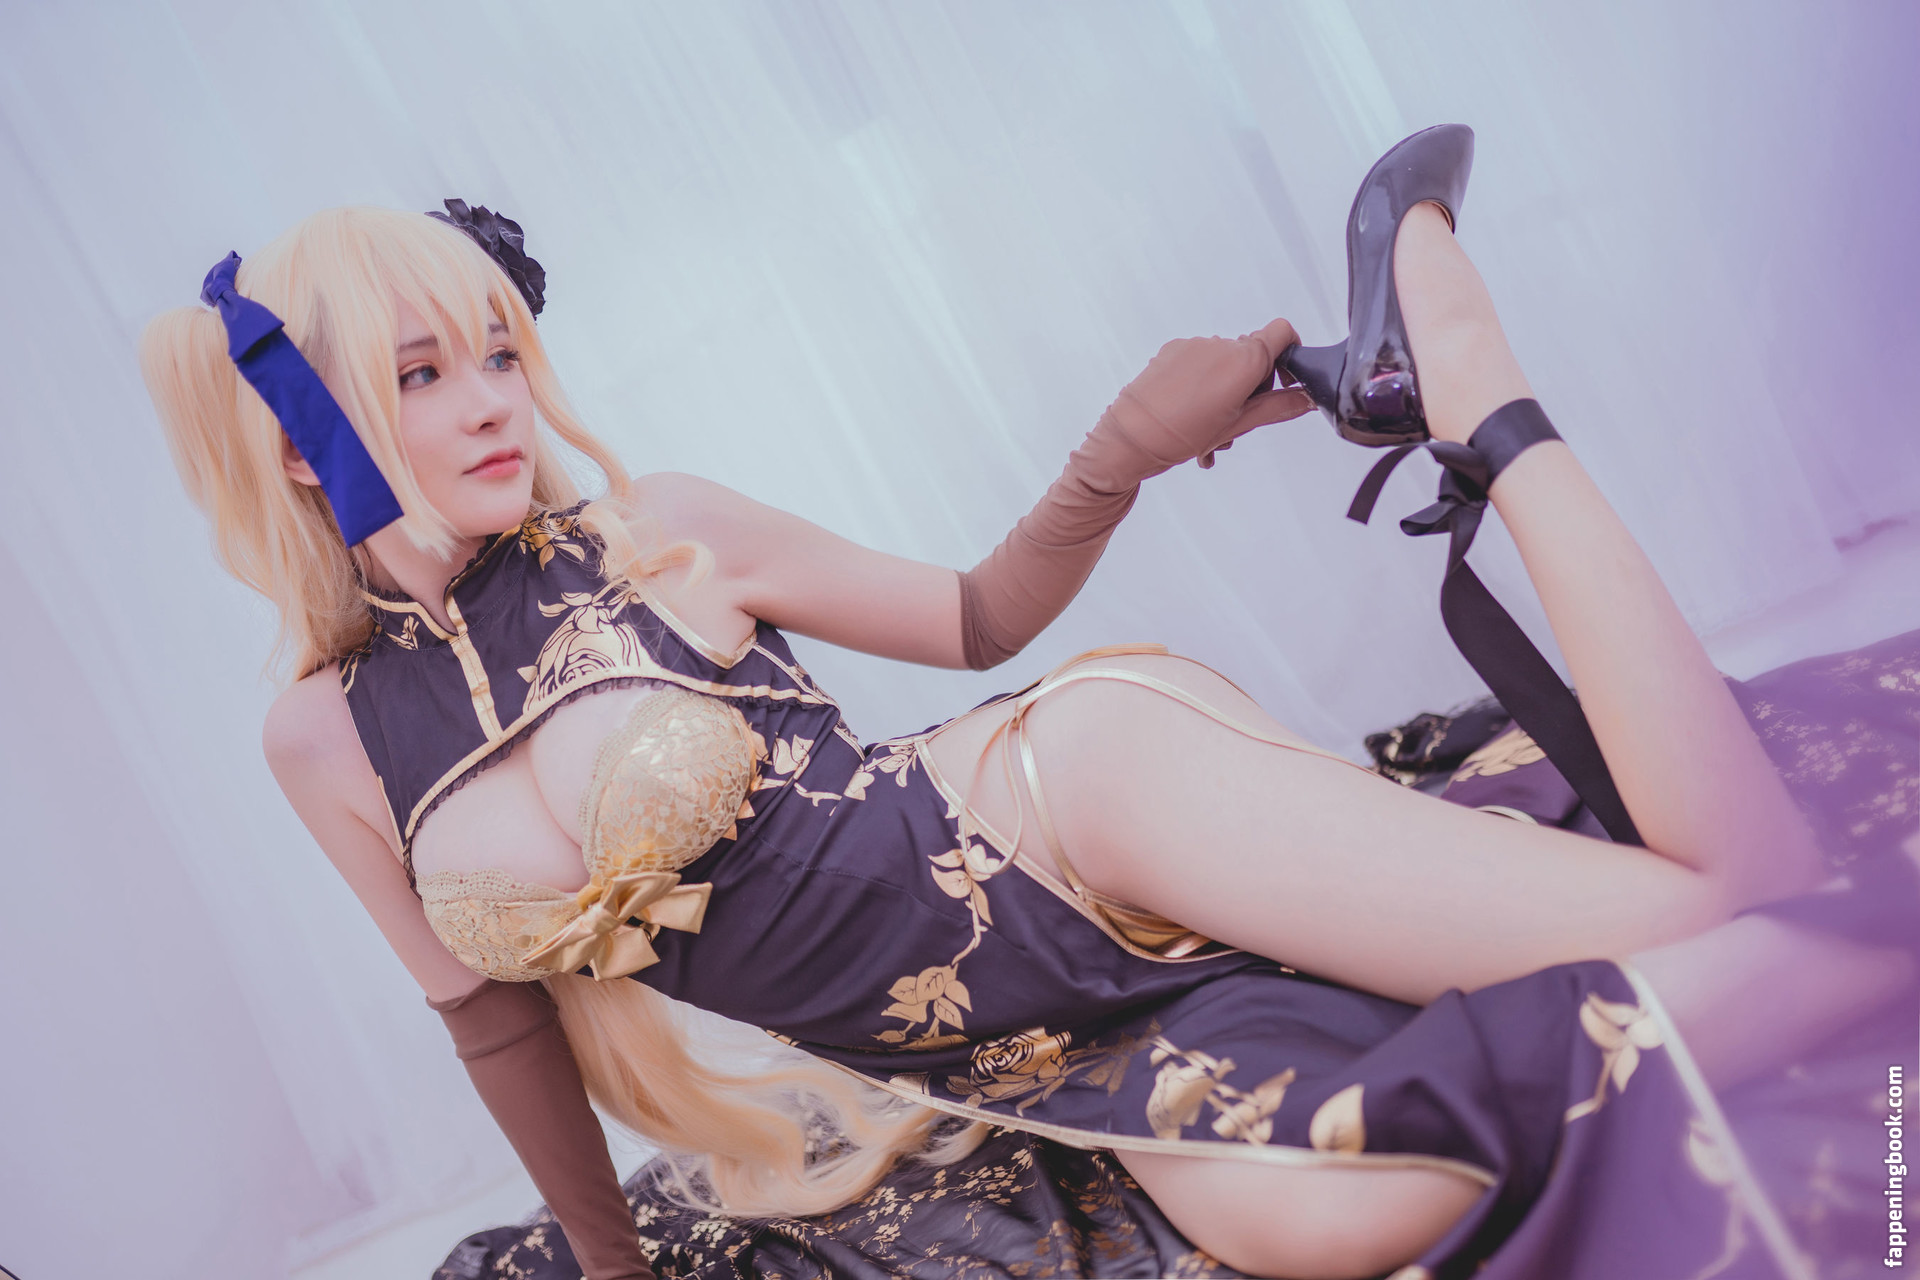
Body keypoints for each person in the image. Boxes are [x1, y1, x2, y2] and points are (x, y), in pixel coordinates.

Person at [140, 131, 1917, 1280]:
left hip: (1076, 807)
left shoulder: (653, 532)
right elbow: (497, 1026)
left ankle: (1476, 383)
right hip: (1045, 1054)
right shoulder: (324, 740)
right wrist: (611, 1274)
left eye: (500, 351)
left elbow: (976, 617)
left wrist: (1118, 453)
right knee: (1338, 1217)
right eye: (423, 372)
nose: (492, 401)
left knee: (1732, 905)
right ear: (299, 441)